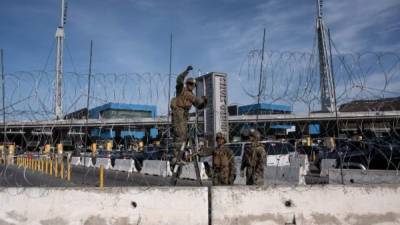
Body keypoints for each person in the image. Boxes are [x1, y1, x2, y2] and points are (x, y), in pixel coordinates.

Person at [170, 65, 207, 166]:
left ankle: (179, 157)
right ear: (187, 84)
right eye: (190, 83)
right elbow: (179, 79)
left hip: (185, 116)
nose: (191, 85)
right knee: (180, 134)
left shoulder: (192, 96)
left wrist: (205, 102)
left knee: (183, 137)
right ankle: (176, 158)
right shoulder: (181, 90)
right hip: (178, 113)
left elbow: (199, 105)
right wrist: (186, 71)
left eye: (193, 85)